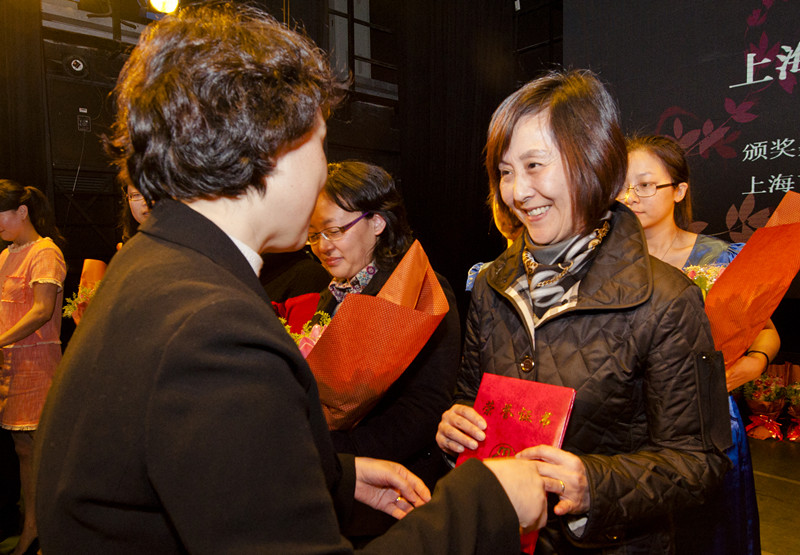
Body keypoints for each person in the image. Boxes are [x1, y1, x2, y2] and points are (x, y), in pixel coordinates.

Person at [34, 5, 548, 553]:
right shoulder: (212, 328)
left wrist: (337, 477)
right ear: (269, 149)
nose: (323, 170)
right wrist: (487, 502)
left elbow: (209, 476)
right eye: (322, 143)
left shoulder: (156, 266)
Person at [436, 69, 732, 554]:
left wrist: (595, 484)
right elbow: (471, 396)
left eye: (534, 165)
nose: (517, 191)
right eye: (505, 172)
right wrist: (457, 426)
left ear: (593, 162)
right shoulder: (492, 285)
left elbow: (699, 462)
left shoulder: (667, 299)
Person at [622, 134, 779, 555]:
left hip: (708, 422)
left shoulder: (717, 259)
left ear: (679, 191)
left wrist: (754, 363)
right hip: (631, 422)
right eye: (622, 186)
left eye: (645, 184)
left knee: (708, 536)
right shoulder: (609, 264)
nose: (631, 196)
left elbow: (766, 330)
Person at [307, 160, 460, 540]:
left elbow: (426, 408)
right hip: (341, 482)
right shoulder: (330, 295)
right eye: (314, 235)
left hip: (397, 493)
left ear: (376, 222)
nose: (323, 246)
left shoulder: (418, 288)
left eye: (334, 231)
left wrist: (335, 449)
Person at [0, 179, 66, 555]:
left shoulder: (45, 251)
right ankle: (33, 526)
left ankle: (49, 532)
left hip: (37, 363)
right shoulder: (5, 255)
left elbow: (42, 311)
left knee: (43, 449)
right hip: (12, 364)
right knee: (23, 448)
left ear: (21, 211)